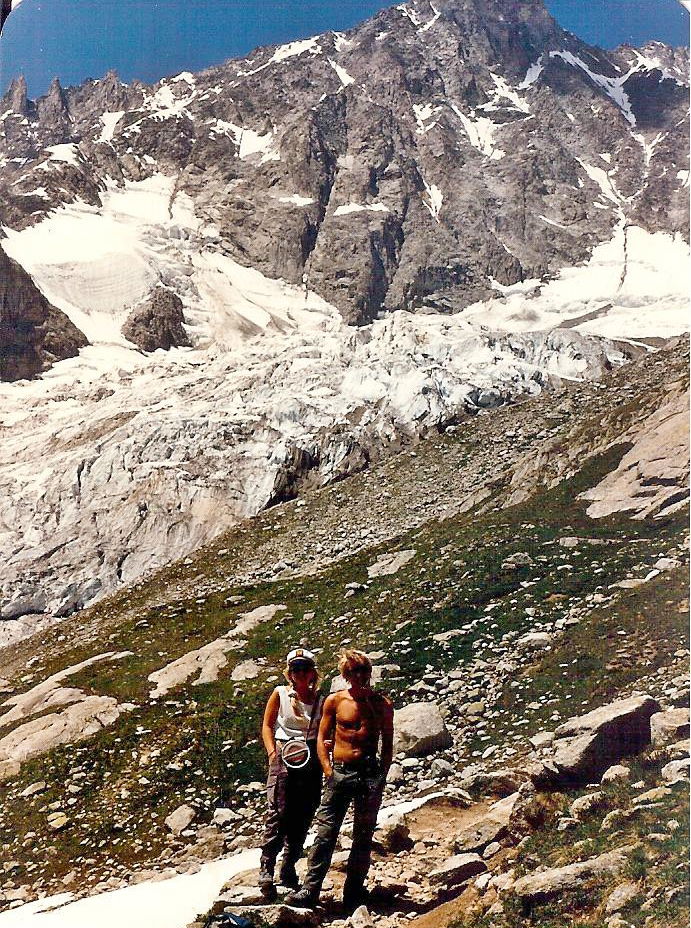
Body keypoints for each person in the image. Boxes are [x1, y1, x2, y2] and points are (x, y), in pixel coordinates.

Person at [286, 649, 394, 912]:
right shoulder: (335, 702)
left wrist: (382, 774)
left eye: (364, 670)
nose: (360, 676)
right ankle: (310, 890)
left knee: (363, 835)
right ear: (346, 674)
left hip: (368, 772)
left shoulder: (382, 703)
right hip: (341, 771)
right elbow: (323, 736)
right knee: (325, 833)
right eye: (354, 671)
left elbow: (388, 742)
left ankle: (354, 893)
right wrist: (328, 769)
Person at [258, 647, 325, 900]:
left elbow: (325, 730)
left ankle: (289, 866)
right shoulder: (280, 694)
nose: (300, 673)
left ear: (312, 673)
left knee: (305, 813)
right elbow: (267, 724)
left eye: (305, 668)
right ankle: (267, 866)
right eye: (296, 669)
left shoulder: (321, 700)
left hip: (310, 757)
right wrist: (272, 753)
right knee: (279, 811)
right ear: (290, 672)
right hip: (284, 753)